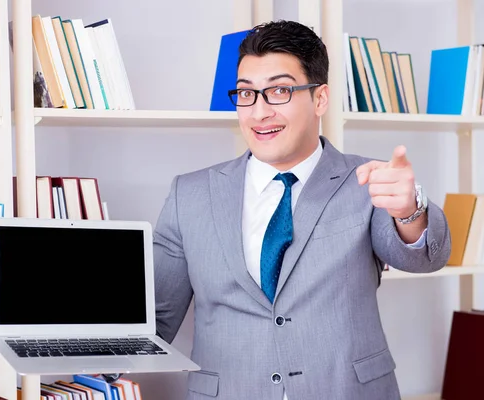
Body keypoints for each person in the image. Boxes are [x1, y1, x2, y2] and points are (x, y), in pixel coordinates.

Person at [152, 19, 451, 400]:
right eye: (246, 94)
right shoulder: (189, 195)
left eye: (279, 91)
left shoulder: (367, 182)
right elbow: (156, 320)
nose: (259, 113)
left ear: (320, 99)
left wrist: (410, 210)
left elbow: (424, 258)